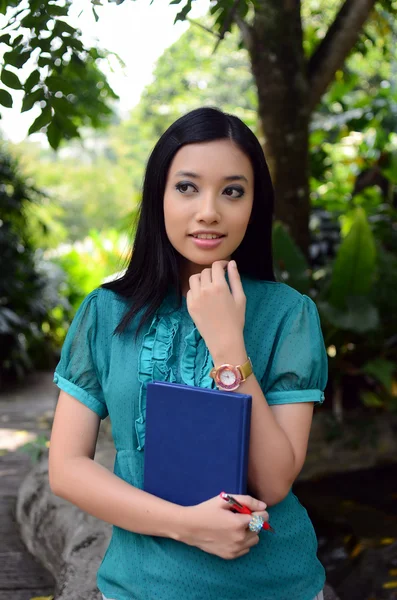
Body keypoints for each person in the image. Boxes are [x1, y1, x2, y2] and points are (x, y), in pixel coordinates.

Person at [49, 107, 327, 600]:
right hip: (140, 586)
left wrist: (227, 344)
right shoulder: (105, 313)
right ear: (158, 197)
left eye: (233, 191)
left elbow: (275, 481)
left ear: (253, 205)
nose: (209, 211)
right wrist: (185, 525)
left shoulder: (289, 314)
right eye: (186, 187)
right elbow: (67, 467)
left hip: (275, 586)